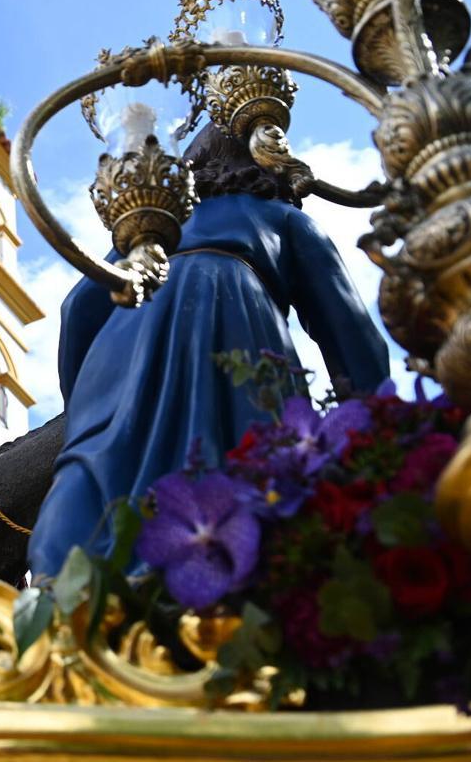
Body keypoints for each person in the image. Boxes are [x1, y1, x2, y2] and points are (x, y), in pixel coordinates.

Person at [28, 123, 391, 578]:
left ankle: (56, 585)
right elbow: (350, 330)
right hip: (235, 318)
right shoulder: (284, 219)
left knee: (96, 462)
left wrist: (87, 410)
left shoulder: (153, 232)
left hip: (125, 336)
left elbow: (78, 307)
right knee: (242, 456)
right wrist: (382, 425)